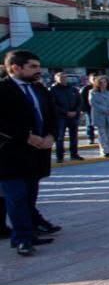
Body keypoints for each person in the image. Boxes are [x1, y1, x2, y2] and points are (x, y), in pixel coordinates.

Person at [0, 50, 58, 256]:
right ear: (16, 67)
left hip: (37, 154)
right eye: (32, 66)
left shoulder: (39, 89)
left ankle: (30, 232)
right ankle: (21, 238)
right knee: (16, 196)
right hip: (10, 155)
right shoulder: (3, 89)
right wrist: (25, 136)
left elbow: (51, 114)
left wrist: (52, 135)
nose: (38, 70)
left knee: (29, 196)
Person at [50, 72, 83, 163]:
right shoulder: (53, 90)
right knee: (60, 137)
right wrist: (65, 112)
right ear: (56, 79)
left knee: (74, 136)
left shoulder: (72, 89)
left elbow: (79, 101)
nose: (63, 79)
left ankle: (74, 154)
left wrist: (76, 111)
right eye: (60, 77)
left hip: (73, 116)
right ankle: (60, 156)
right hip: (60, 117)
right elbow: (53, 104)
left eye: (64, 77)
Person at [90, 75, 109, 157]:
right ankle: (105, 151)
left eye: (105, 82)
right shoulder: (93, 92)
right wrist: (104, 110)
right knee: (102, 135)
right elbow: (93, 103)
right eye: (101, 82)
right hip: (100, 116)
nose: (103, 84)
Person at [80, 73, 96, 145]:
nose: (95, 80)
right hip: (89, 109)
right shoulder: (86, 88)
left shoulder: (100, 87)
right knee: (90, 124)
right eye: (93, 79)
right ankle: (91, 138)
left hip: (99, 109)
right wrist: (84, 109)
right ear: (90, 79)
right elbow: (82, 100)